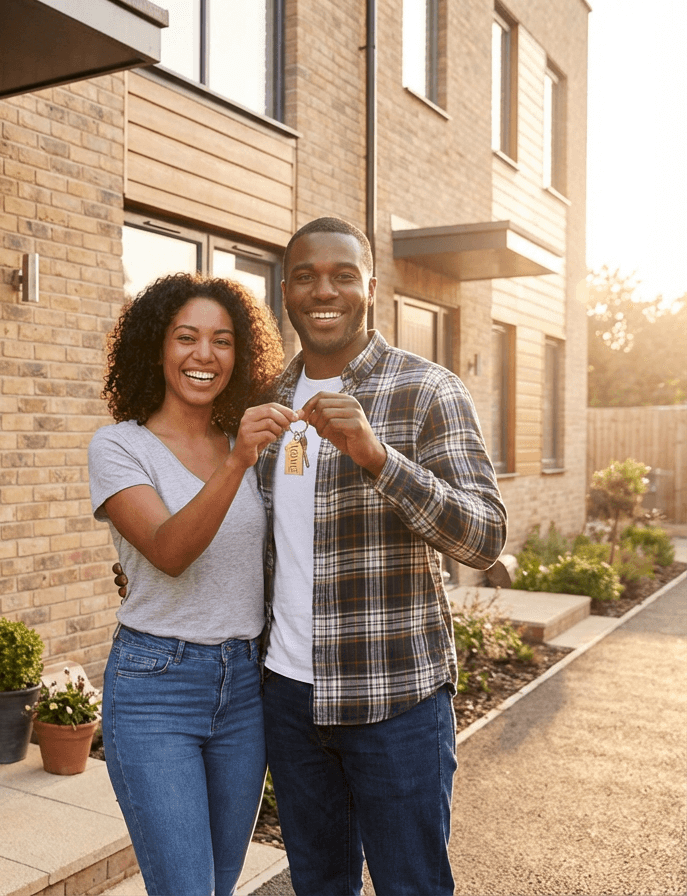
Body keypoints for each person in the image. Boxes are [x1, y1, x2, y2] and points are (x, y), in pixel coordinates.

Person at [258, 216, 507, 895]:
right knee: (318, 883)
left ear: (372, 285)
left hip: (394, 699)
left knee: (412, 885)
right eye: (306, 276)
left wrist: (379, 459)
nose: (323, 290)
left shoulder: (428, 390)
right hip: (290, 700)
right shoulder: (270, 402)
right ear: (287, 290)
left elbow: (484, 537)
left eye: (343, 274)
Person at [88, 272, 288, 896]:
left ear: (242, 354)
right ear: (157, 347)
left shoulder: (245, 443)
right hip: (156, 689)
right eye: (187, 338)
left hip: (244, 688)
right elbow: (171, 550)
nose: (205, 355)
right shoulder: (120, 447)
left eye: (223, 340)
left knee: (217, 885)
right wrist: (237, 465)